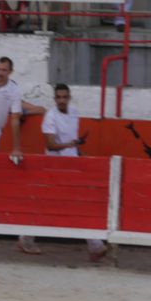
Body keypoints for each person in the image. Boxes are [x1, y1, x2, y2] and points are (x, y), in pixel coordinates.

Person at [16, 84, 108, 260]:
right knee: (71, 204)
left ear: (69, 98)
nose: (61, 101)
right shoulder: (50, 116)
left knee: (57, 205)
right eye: (58, 97)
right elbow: (50, 145)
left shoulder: (74, 113)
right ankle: (95, 245)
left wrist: (79, 154)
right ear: (54, 99)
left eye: (64, 97)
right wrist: (70, 146)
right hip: (55, 167)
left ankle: (26, 238)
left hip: (71, 165)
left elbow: (71, 140)